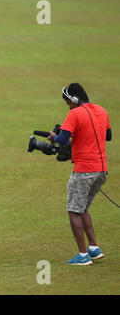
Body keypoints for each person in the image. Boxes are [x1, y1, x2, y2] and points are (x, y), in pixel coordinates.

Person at [48, 83, 111, 265]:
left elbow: (62, 140)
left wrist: (53, 137)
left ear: (75, 99)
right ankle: (94, 248)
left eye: (68, 102)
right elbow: (108, 136)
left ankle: (82, 255)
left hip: (84, 171)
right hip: (102, 170)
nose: (68, 106)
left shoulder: (74, 114)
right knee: (82, 208)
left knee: (74, 210)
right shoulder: (101, 110)